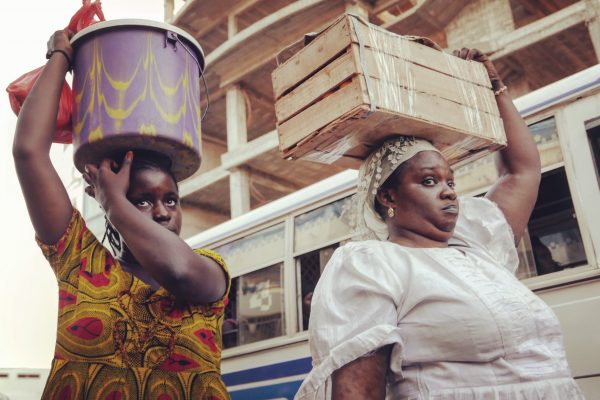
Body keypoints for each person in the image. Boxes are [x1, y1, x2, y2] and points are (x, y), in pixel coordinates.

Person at [295, 49, 584, 399]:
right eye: (428, 181)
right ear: (388, 197)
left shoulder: (477, 244)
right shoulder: (370, 264)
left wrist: (496, 91)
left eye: (450, 181)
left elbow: (521, 171)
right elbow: (358, 391)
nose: (448, 192)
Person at [12, 29, 231, 399]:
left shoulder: (209, 272)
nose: (162, 212)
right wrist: (61, 58)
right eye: (142, 200)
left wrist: (116, 204)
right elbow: (28, 152)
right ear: (105, 196)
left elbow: (177, 271)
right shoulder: (80, 263)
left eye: (171, 200)